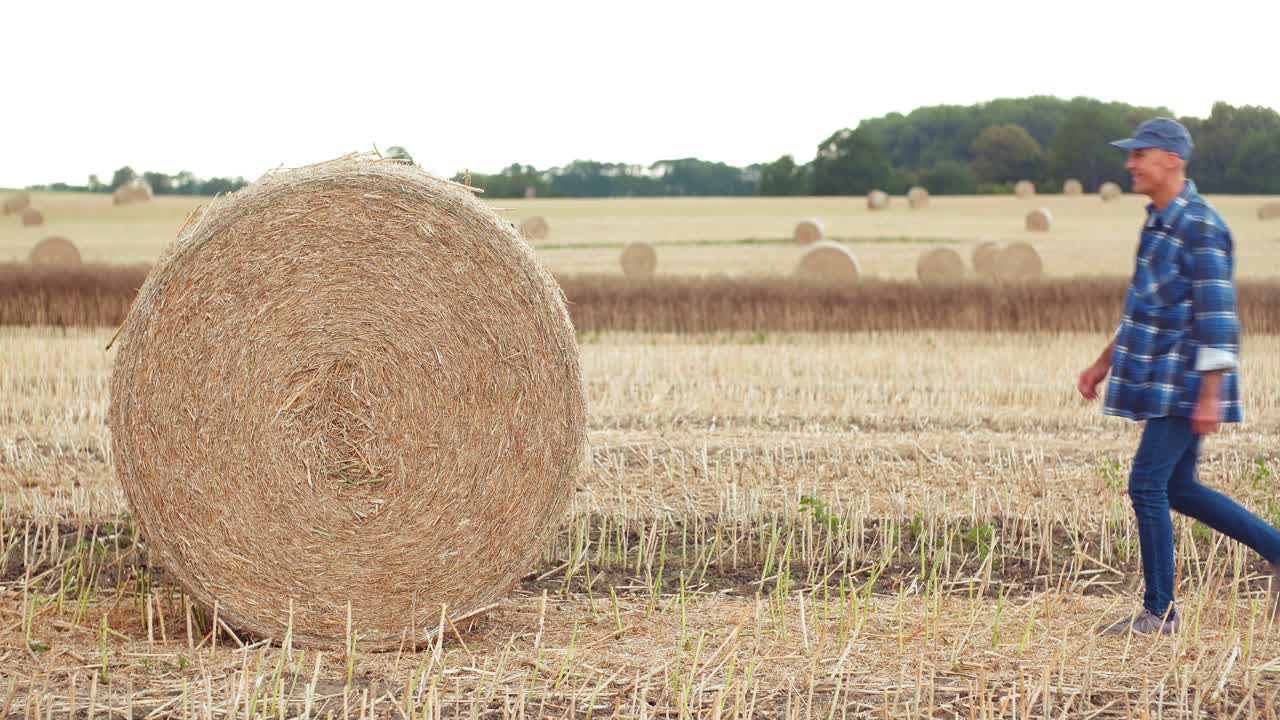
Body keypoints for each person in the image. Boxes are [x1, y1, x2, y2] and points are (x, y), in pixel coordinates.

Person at [1076, 117, 1280, 635]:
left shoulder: (1200, 226)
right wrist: (1103, 362)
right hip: (1160, 378)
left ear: (1172, 159)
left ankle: (1160, 611)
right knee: (1179, 488)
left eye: (1139, 154)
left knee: (1146, 485)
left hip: (1186, 383)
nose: (1129, 164)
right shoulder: (1157, 222)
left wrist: (1211, 394)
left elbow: (1219, 317)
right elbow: (1142, 307)